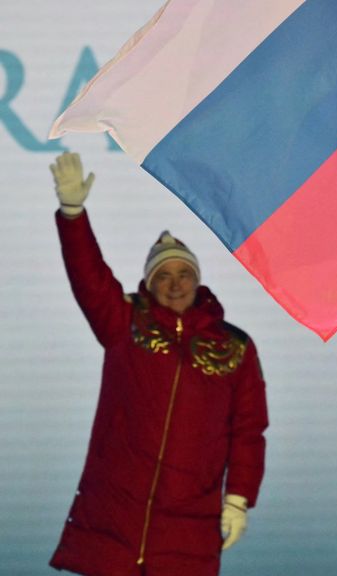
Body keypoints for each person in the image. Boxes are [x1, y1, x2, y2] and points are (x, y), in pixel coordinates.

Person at [48, 152, 269, 576]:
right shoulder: (125, 323)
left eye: (183, 274)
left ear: (198, 281)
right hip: (113, 523)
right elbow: (88, 277)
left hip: (187, 531)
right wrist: (73, 214)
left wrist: (239, 498)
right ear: (149, 285)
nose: (174, 284)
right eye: (162, 277)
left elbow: (248, 430)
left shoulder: (235, 347)